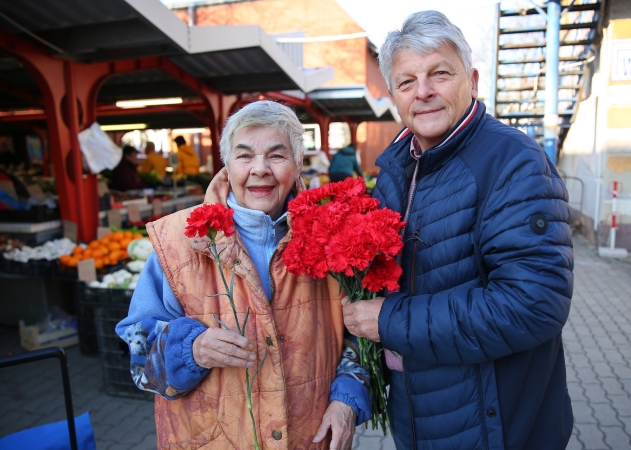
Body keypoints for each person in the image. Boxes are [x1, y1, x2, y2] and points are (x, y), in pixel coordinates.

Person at [341, 11, 574, 450]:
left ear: (473, 79)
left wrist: (389, 320)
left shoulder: (513, 162)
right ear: (394, 95)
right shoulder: (399, 164)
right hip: (421, 411)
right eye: (407, 82)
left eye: (439, 74)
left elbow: (532, 305)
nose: (423, 91)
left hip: (492, 421)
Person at [116, 101, 370, 449]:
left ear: (298, 165)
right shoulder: (177, 240)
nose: (260, 169)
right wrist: (192, 349)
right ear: (227, 164)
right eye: (245, 155)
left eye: (277, 156)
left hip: (308, 437)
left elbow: (357, 334)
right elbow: (139, 357)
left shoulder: (331, 237)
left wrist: (347, 398)